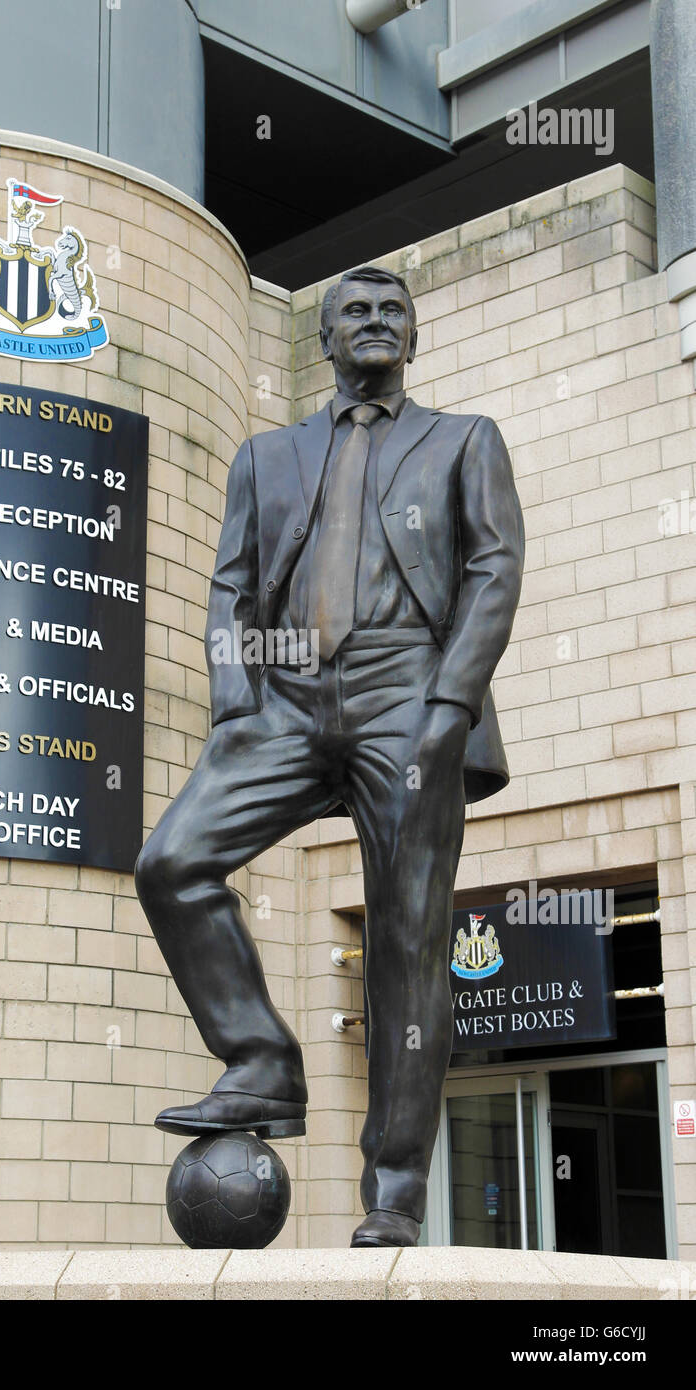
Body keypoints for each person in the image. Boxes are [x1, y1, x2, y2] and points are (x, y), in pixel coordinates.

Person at [135, 265, 524, 1246]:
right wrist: (234, 700)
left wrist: (449, 704)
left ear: (413, 334)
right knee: (171, 861)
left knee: (405, 940)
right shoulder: (266, 454)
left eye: (393, 310)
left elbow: (493, 565)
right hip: (285, 694)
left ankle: (392, 1191)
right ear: (322, 341)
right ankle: (260, 1056)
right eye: (355, 311)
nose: (377, 322)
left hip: (408, 694)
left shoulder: (462, 440)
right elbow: (228, 587)